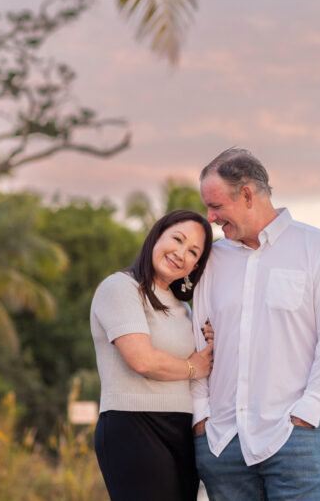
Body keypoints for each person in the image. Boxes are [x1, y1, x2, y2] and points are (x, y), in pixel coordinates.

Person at [191, 148, 320, 500]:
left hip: (292, 436)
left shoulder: (318, 249)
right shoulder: (213, 260)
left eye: (216, 205)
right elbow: (196, 338)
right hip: (223, 442)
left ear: (248, 194)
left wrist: (308, 412)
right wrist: (201, 419)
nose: (210, 216)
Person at [90, 209, 216, 501]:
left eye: (193, 251)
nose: (181, 253)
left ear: (194, 267)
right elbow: (142, 360)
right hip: (133, 425)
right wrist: (192, 367)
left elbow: (205, 363)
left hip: (182, 429)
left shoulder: (183, 309)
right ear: (157, 235)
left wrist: (211, 342)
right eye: (177, 239)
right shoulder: (120, 287)